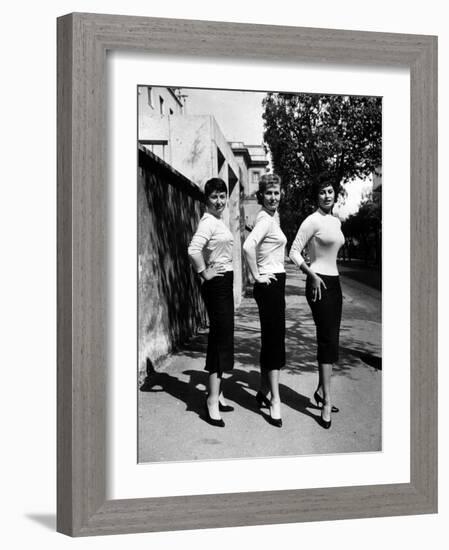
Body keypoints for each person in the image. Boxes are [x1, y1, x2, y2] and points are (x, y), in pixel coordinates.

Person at [289, 180, 345, 429]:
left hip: (335, 284)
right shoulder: (312, 220)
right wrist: (311, 274)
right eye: (321, 191)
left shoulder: (336, 221)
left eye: (330, 191)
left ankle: (322, 392)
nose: (326, 195)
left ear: (335, 194)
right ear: (316, 196)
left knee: (332, 340)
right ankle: (326, 402)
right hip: (317, 283)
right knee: (326, 339)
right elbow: (294, 251)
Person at [188, 178, 235, 427]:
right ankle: (211, 401)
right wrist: (204, 272)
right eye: (214, 197)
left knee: (224, 338)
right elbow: (193, 249)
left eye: (222, 196)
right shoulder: (208, 222)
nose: (219, 201)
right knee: (219, 339)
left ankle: (218, 392)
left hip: (224, 282)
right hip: (216, 284)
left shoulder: (218, 221)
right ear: (206, 199)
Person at [243, 174, 287, 427]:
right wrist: (257, 276)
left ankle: (263, 390)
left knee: (271, 339)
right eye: (269, 193)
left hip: (274, 283)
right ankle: (275, 401)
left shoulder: (272, 218)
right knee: (273, 342)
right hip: (269, 285)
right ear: (261, 195)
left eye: (277, 192)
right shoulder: (264, 219)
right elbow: (249, 246)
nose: (273, 197)